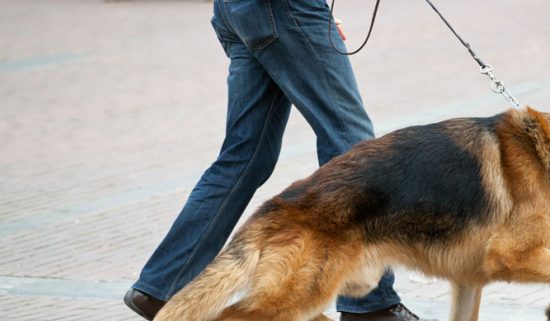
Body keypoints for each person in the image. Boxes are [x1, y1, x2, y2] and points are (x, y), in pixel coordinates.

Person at [123, 1, 431, 320]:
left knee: (246, 157)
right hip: (282, 8)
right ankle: (369, 306)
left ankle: (162, 288)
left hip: (239, 10)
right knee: (350, 141)